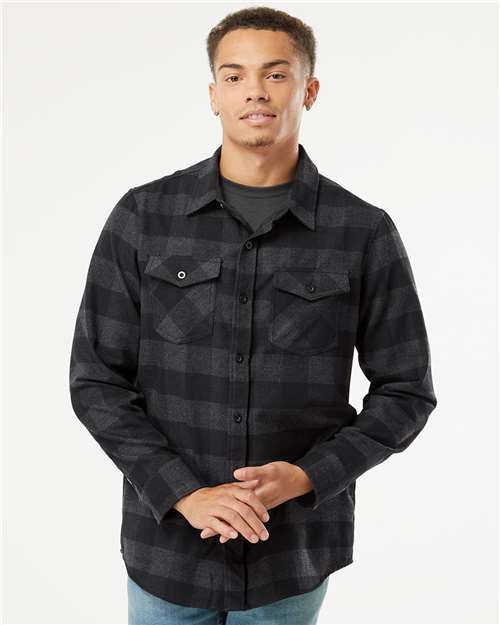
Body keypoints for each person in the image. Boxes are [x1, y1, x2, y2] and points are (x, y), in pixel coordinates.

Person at [69, 6, 437, 625]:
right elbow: (96, 380)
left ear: (308, 90)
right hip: (168, 550)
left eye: (276, 73)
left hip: (289, 555)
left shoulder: (362, 232)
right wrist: (183, 492)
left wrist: (305, 476)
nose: (255, 92)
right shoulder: (144, 217)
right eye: (234, 76)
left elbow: (406, 392)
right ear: (213, 95)